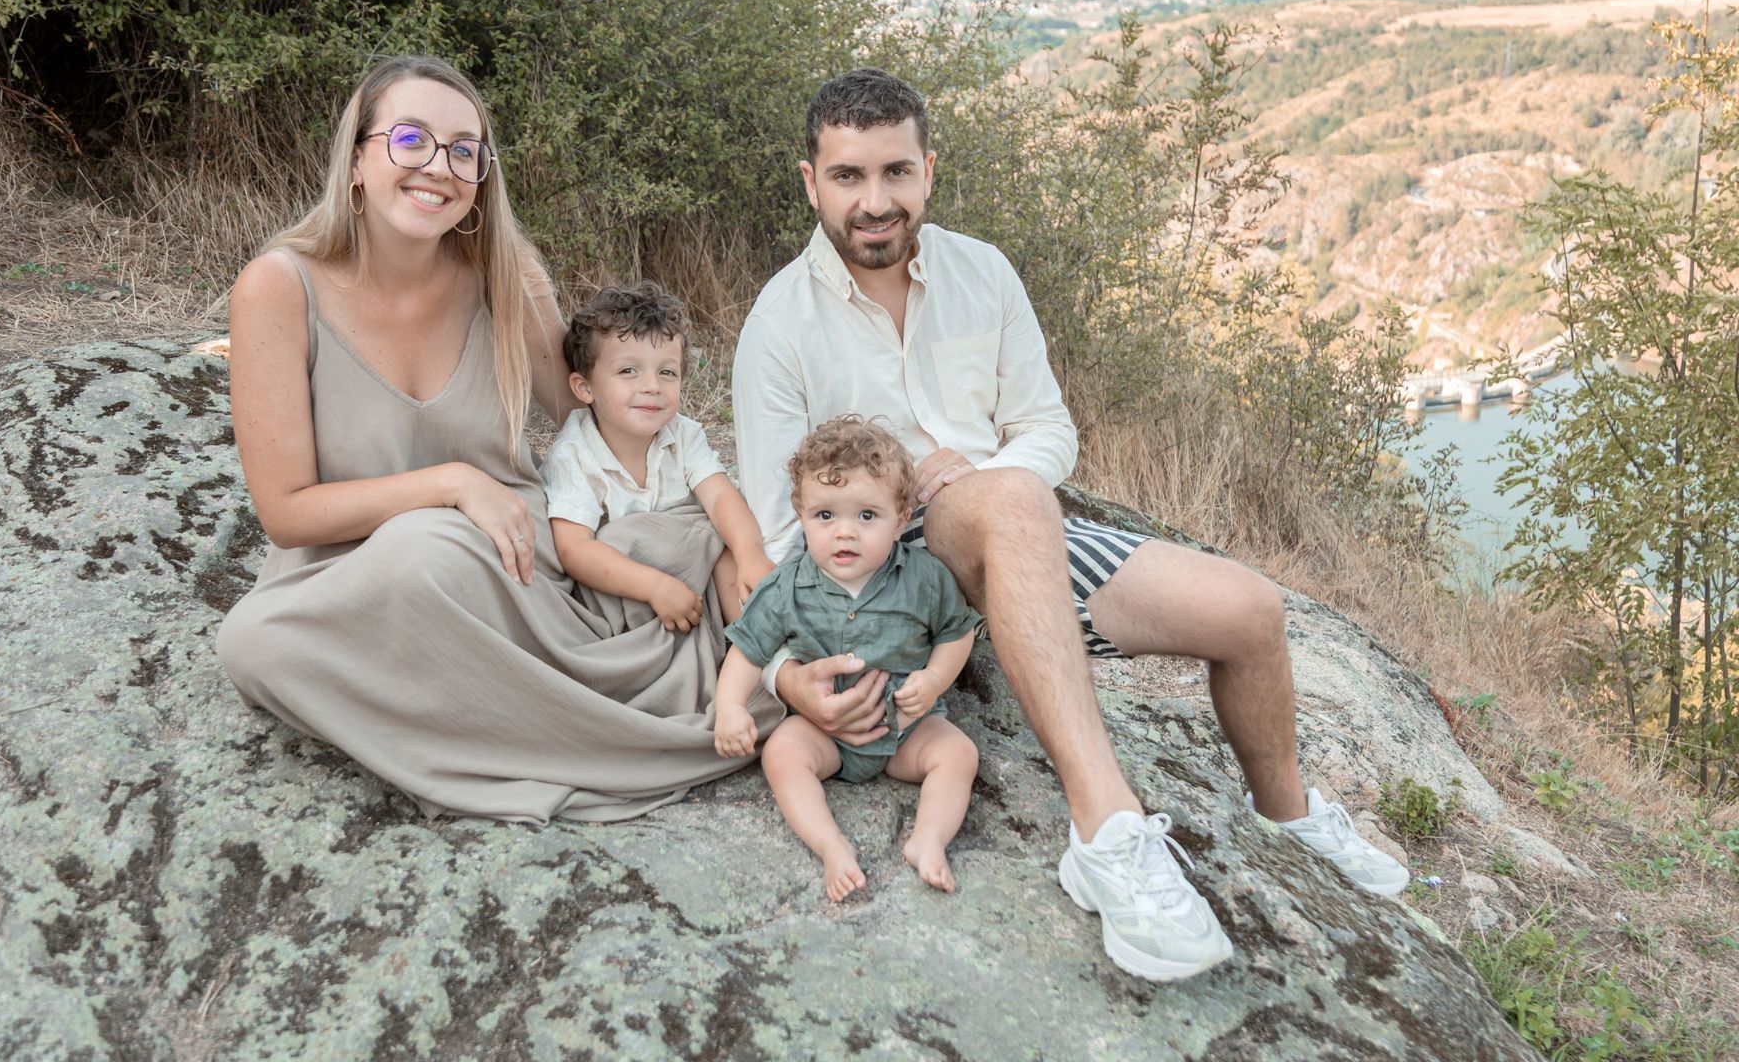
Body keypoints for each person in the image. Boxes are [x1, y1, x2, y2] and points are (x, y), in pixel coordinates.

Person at [731, 67, 1409, 982]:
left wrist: (991, 480)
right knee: (1015, 503)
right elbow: (778, 530)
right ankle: (1106, 833)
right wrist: (787, 671)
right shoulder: (780, 321)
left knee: (1250, 612)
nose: (875, 201)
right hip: (884, 572)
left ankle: (1287, 816)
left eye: (896, 172)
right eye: (848, 176)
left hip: (1008, 525)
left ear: (928, 170)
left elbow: (1049, 428)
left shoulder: (984, 273)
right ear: (810, 182)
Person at [216, 54, 779, 824]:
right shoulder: (280, 286)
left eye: (463, 150)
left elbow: (598, 406)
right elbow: (286, 512)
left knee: (612, 548)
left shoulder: (503, 273)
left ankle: (525, 728)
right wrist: (450, 483)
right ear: (356, 159)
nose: (437, 168)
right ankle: (561, 741)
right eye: (410, 139)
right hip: (346, 571)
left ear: (481, 175)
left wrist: (724, 521)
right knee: (252, 643)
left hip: (502, 563)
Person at [713, 417, 980, 901]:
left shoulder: (925, 578)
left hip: (905, 730)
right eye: (825, 516)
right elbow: (748, 648)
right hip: (825, 733)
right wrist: (730, 707)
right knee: (782, 754)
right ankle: (831, 845)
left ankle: (929, 839)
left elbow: (956, 633)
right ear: (801, 513)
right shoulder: (786, 586)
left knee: (958, 754)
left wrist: (937, 678)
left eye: (866, 516)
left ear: (901, 518)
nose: (844, 534)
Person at [543, 282, 775, 628]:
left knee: (724, 546)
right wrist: (654, 587)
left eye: (667, 372)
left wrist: (750, 553)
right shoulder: (574, 453)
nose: (652, 385)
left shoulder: (682, 434)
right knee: (615, 542)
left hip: (695, 584)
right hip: (626, 593)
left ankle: (756, 653)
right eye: (628, 371)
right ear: (585, 387)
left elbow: (721, 497)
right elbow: (575, 550)